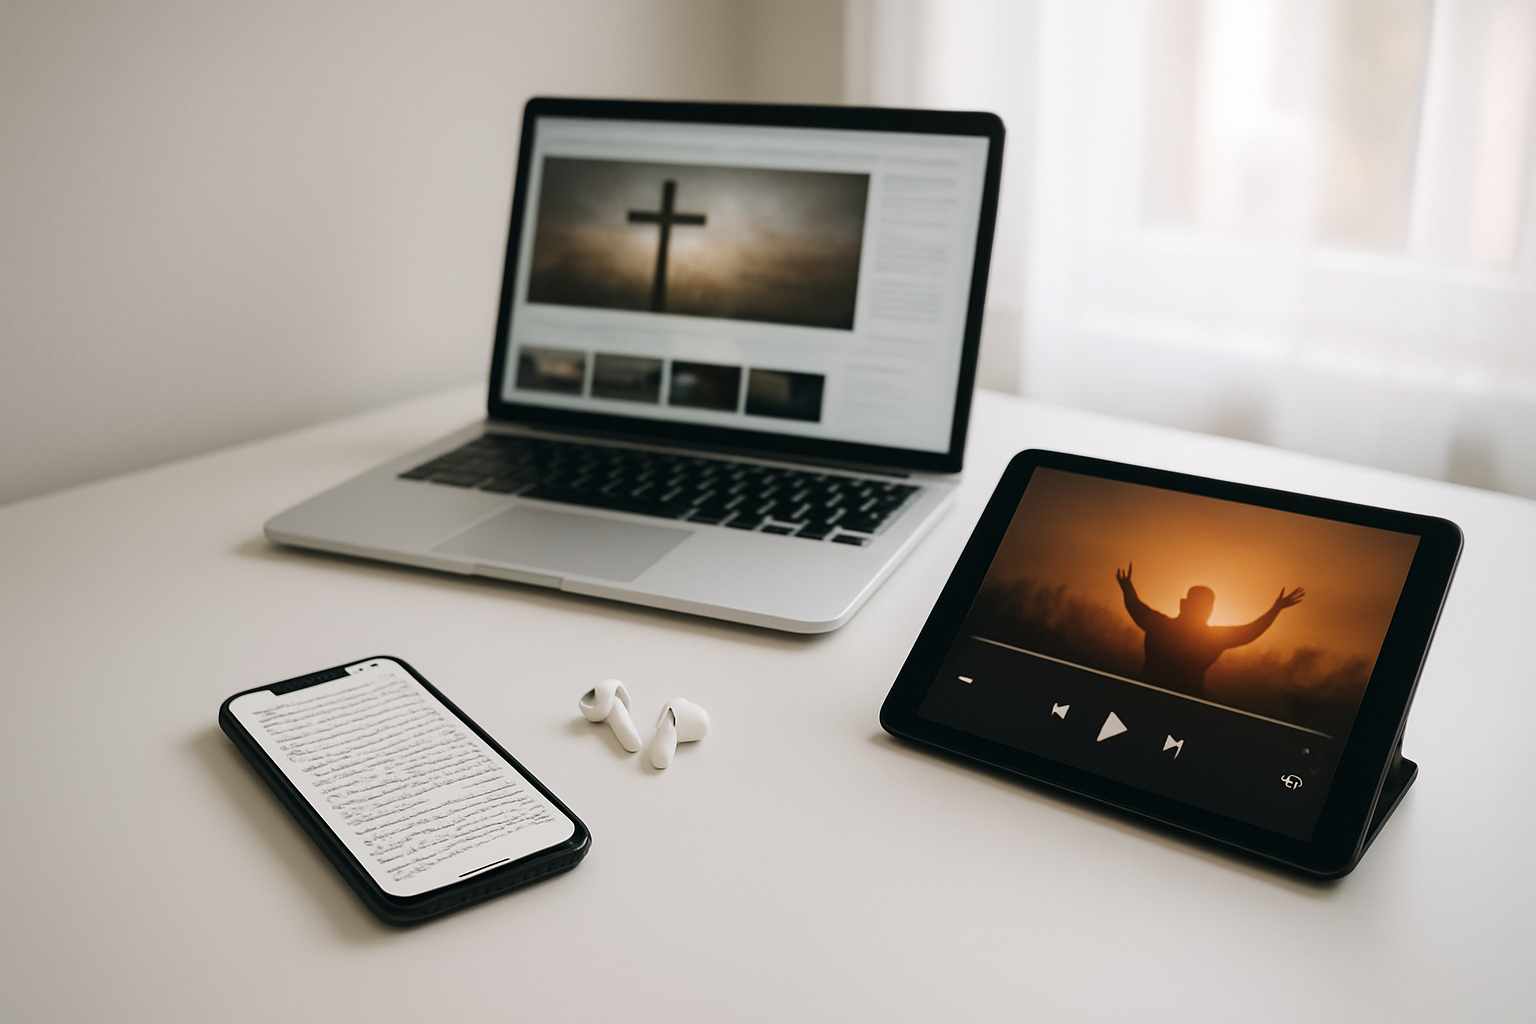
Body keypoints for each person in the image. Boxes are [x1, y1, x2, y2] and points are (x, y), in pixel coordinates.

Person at [1115, 563, 1304, 698]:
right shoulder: (1209, 638)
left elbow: (1136, 607)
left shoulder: (1162, 625)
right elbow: (1250, 632)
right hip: (1174, 702)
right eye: (1203, 606)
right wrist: (1275, 609)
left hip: (1155, 699)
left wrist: (1127, 588)